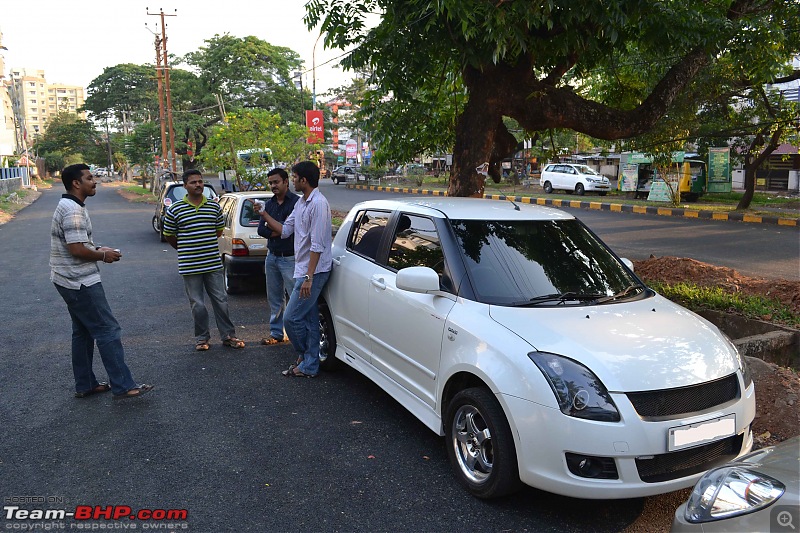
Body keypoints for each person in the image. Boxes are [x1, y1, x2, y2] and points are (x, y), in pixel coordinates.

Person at [50, 163, 153, 400]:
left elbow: (77, 244)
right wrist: (103, 255)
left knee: (83, 332)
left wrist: (96, 248)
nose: (94, 181)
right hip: (80, 281)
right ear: (76, 183)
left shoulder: (69, 205)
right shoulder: (73, 210)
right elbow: (76, 249)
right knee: (108, 330)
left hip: (67, 279)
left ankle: (85, 384)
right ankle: (124, 385)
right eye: (89, 178)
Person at [259, 161, 332, 377]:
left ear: (304, 180)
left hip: (314, 271)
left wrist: (308, 277)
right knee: (307, 319)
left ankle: (304, 356)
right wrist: (263, 214)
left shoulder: (319, 204)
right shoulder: (302, 203)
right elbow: (285, 230)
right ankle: (309, 365)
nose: (292, 181)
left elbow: (318, 245)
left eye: (294, 177)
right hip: (302, 268)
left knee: (291, 318)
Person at [162, 169, 246, 351]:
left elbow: (217, 231)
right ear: (185, 186)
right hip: (189, 265)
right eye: (193, 182)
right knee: (198, 305)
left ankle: (229, 336)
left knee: (221, 301)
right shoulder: (175, 209)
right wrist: (184, 248)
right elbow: (169, 235)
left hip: (213, 263)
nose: (198, 185)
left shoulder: (214, 207)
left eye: (200, 181)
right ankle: (202, 338)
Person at [255, 168, 299, 346]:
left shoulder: (296, 203)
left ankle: (295, 333)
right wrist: (278, 230)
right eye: (271, 182)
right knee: (275, 297)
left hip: (290, 257)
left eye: (276, 182)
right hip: (272, 256)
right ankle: (276, 333)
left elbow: (289, 231)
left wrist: (279, 229)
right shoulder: (269, 204)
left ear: (286, 182)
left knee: (294, 297)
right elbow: (261, 229)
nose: (273, 185)